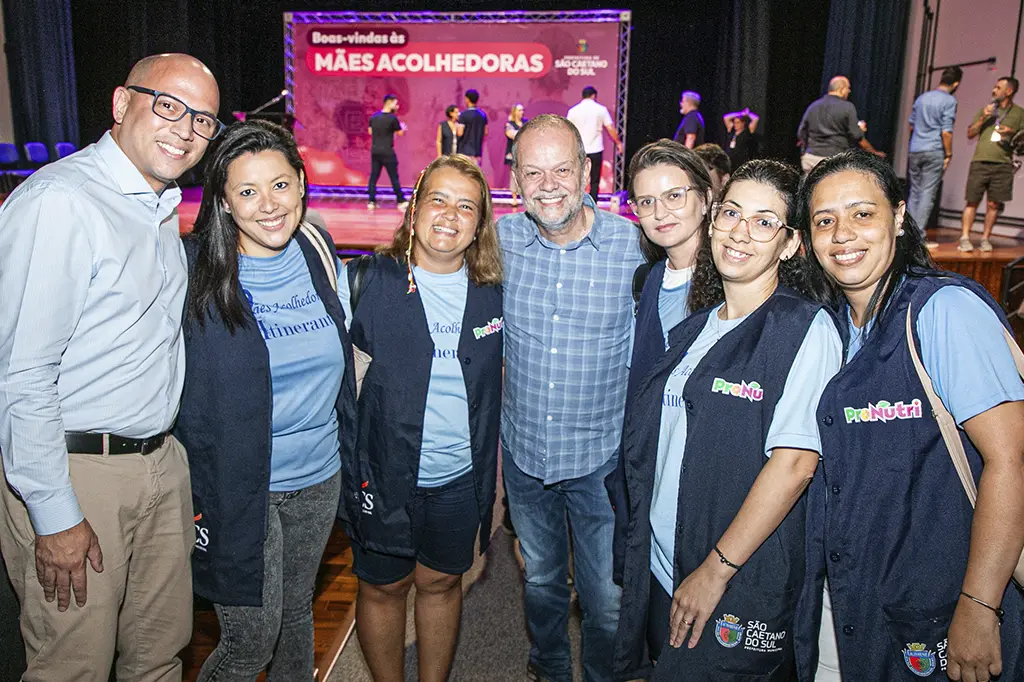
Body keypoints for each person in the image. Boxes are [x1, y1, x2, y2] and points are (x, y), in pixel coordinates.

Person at [0, 53, 221, 681]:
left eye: (203, 120)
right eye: (169, 106)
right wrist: (54, 511)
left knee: (159, 657)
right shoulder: (60, 202)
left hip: (157, 465)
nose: (186, 128)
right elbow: (21, 372)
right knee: (73, 668)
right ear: (122, 104)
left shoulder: (154, 208)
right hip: (77, 476)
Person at [798, 150, 1024, 681]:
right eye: (824, 221)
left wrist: (978, 606)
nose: (842, 234)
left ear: (898, 217)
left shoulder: (944, 311)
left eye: (862, 213)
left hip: (944, 613)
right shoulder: (831, 328)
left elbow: (1011, 460)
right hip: (860, 607)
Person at [613, 160, 842, 681]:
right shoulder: (697, 328)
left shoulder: (803, 329)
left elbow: (795, 465)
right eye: (733, 213)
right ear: (713, 219)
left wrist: (715, 571)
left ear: (790, 244)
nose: (741, 232)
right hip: (664, 566)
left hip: (731, 579)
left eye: (764, 222)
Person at [173, 120, 355, 681]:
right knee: (250, 642)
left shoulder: (317, 247)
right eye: (247, 192)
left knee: (297, 613)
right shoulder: (192, 268)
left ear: (302, 183)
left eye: (280, 185)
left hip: (320, 477)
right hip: (239, 488)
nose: (268, 205)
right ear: (224, 204)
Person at [499, 114, 644, 682]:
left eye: (562, 168)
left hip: (601, 461)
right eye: (533, 172)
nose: (549, 183)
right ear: (514, 179)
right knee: (539, 582)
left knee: (606, 601)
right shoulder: (500, 240)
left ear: (587, 170)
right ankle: (550, 669)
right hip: (525, 456)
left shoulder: (634, 247)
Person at [349, 154, 504, 682]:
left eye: (467, 206)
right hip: (382, 476)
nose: (449, 215)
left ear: (480, 224)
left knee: (441, 584)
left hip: (458, 482)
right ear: (414, 209)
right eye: (437, 199)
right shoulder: (366, 282)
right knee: (382, 588)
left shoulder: (494, 295)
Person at [958, 76, 1024, 252]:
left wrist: (1012, 132)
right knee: (972, 201)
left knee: (993, 204)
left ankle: (985, 238)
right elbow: (970, 133)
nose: (994, 90)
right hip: (980, 161)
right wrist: (983, 118)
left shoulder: (1019, 114)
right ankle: (965, 237)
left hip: (1002, 164)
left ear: (1009, 91)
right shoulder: (986, 110)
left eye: (998, 87)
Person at [907, 66, 962, 245]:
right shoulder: (949, 101)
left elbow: (911, 126)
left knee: (915, 192)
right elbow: (946, 132)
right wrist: (949, 153)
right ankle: (918, 238)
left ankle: (907, 234)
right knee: (926, 194)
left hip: (915, 149)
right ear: (956, 83)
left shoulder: (922, 98)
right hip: (933, 150)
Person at [797, 76, 885, 173]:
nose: (849, 91)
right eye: (848, 88)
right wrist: (860, 130)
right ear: (841, 89)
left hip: (811, 158)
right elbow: (856, 135)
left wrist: (805, 150)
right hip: (833, 160)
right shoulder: (847, 107)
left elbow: (801, 132)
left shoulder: (813, 106)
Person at [567, 85, 624, 203]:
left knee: (578, 177)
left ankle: (577, 202)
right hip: (596, 148)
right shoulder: (600, 109)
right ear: (594, 96)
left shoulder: (573, 111)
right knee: (594, 178)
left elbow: (567, 130)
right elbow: (610, 128)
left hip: (579, 149)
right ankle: (593, 202)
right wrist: (618, 142)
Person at [368, 93, 408, 212]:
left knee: (373, 176)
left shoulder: (374, 117)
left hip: (375, 151)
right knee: (394, 177)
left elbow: (370, 131)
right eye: (395, 103)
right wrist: (403, 128)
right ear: (389, 103)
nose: (397, 106)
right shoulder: (392, 118)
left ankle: (371, 201)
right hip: (387, 151)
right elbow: (400, 133)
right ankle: (400, 200)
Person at [457, 89, 488, 165]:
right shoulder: (483, 115)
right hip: (477, 152)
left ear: (467, 99)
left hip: (464, 152)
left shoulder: (463, 115)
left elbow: (460, 133)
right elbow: (485, 132)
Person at [505, 103, 527, 206]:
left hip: (525, 153)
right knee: (513, 175)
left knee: (525, 175)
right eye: (519, 110)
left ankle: (525, 197)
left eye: (522, 110)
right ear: (514, 112)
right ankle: (514, 198)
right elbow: (510, 134)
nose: (521, 112)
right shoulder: (510, 123)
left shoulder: (526, 123)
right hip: (513, 153)